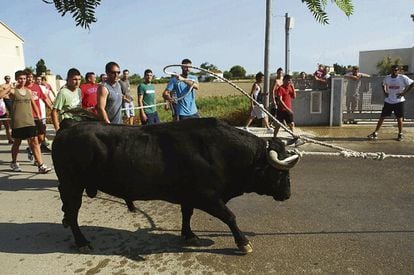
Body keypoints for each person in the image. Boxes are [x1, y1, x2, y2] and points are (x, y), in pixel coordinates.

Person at [0, 70, 51, 173]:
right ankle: (14, 162)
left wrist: (39, 116)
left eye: (24, 78)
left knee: (35, 142)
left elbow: (34, 104)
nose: (22, 80)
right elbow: (1, 95)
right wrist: (10, 87)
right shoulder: (13, 91)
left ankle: (40, 165)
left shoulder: (28, 91)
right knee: (17, 143)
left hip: (30, 120)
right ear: (16, 79)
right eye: (20, 79)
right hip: (18, 121)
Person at [367, 65, 414, 141]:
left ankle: (400, 134)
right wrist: (385, 92)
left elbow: (412, 84)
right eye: (392, 70)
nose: (394, 72)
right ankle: (375, 132)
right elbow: (383, 84)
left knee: (399, 118)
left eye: (395, 70)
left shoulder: (402, 77)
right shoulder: (387, 77)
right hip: (388, 101)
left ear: (398, 71)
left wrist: (404, 93)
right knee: (382, 117)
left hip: (399, 101)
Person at [25, 70, 52, 155]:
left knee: (41, 137)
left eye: (31, 77)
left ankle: (31, 148)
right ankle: (36, 158)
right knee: (33, 138)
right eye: (28, 77)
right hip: (28, 116)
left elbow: (44, 98)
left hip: (38, 115)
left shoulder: (37, 87)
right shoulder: (23, 88)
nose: (30, 79)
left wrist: (52, 108)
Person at [0, 75, 13, 144]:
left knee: (7, 126)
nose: (8, 79)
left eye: (9, 78)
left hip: (3, 111)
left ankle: (10, 139)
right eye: (7, 78)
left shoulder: (11, 86)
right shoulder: (2, 86)